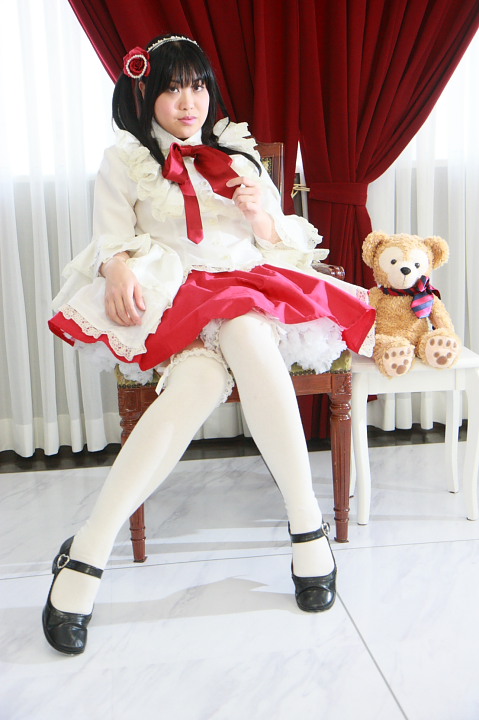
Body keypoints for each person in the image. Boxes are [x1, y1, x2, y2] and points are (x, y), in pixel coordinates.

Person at [43, 33, 375, 655]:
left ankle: (85, 556)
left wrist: (258, 215)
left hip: (251, 286)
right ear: (145, 95)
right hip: (178, 298)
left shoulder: (238, 155)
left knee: (246, 327)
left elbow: (281, 242)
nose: (187, 102)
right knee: (197, 380)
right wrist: (116, 268)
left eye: (197, 87)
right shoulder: (126, 160)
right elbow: (110, 238)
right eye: (172, 88)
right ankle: (304, 534)